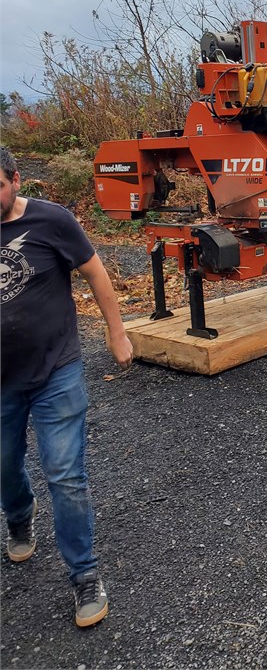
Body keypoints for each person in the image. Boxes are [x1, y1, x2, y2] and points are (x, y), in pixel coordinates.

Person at [0, 146, 133, 628]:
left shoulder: (52, 221)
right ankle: (18, 515)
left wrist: (116, 332)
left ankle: (85, 576)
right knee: (5, 467)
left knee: (66, 474)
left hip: (57, 369)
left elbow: (96, 273)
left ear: (15, 180)